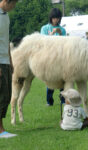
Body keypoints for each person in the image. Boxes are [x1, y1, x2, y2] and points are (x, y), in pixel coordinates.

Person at [40, 8, 66, 106]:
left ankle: (63, 100)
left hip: (60, 57)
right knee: (50, 79)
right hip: (49, 57)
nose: (56, 20)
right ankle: (49, 101)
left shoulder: (62, 29)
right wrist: (51, 34)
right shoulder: (45, 28)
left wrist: (59, 33)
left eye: (58, 18)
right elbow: (42, 42)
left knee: (62, 79)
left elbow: (65, 43)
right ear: (51, 18)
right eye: (54, 18)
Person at [0, 0, 18, 138]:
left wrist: (11, 61)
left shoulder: (6, 16)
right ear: (6, 1)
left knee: (6, 94)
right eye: (13, 3)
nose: (14, 7)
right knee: (1, 95)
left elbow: (6, 40)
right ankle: (0, 130)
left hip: (5, 61)